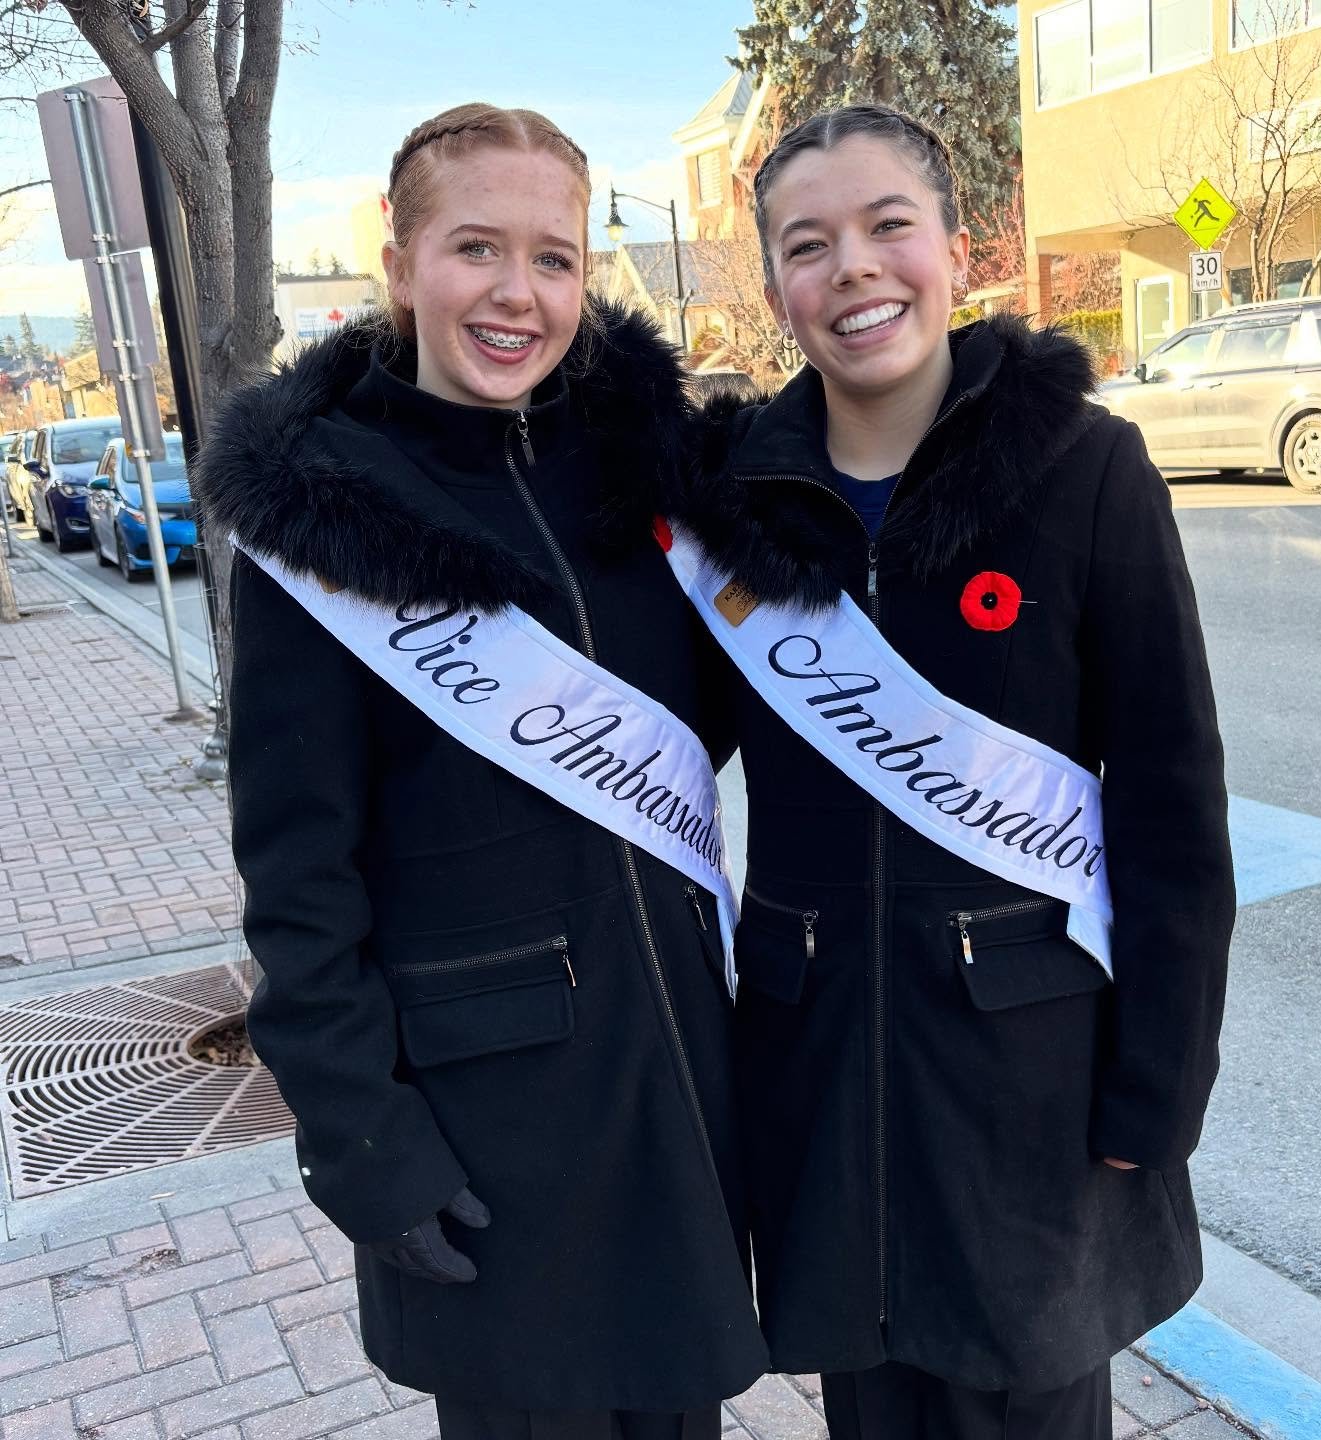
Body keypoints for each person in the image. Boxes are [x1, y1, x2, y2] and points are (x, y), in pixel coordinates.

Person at [196, 103, 768, 1439]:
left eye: (554, 258)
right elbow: (298, 880)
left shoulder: (638, 476)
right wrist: (364, 1143)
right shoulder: (320, 524)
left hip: (673, 1078)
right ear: (399, 262)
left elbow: (707, 731)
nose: (519, 293)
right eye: (476, 248)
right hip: (486, 1128)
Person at [673, 104, 1235, 1440]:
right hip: (820, 1070)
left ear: (959, 249)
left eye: (889, 226)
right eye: (809, 245)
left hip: (1029, 1083)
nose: (854, 269)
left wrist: (1159, 1086)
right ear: (776, 288)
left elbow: (1170, 801)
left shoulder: (1086, 469)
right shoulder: (729, 503)